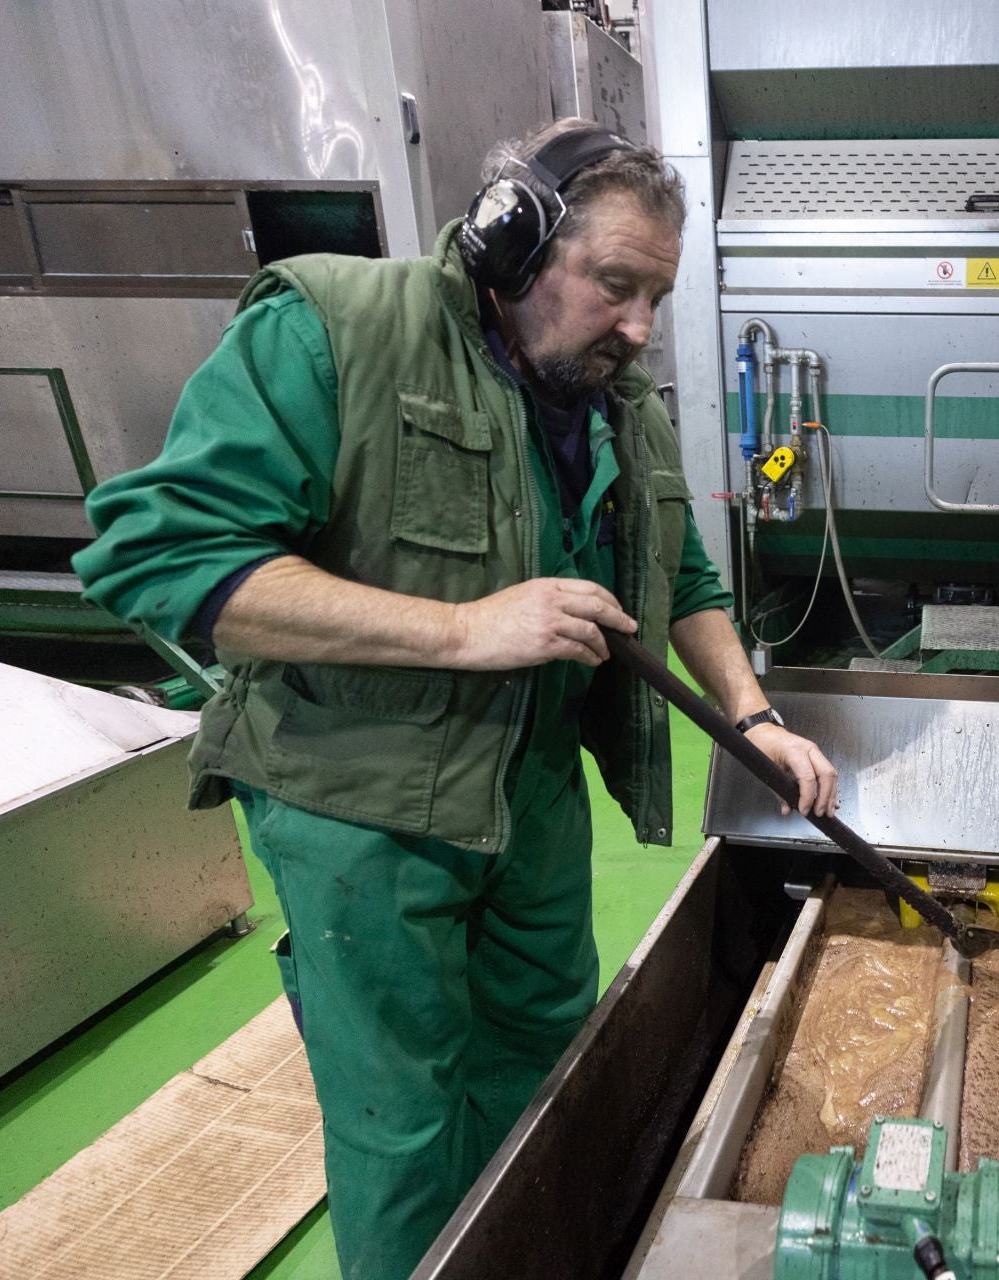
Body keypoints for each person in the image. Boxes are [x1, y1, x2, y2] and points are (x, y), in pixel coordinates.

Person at [73, 120, 837, 1278]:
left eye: (656, 298)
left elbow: (682, 575)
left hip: (533, 800)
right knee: (403, 1127)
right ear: (512, 243)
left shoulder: (615, 397)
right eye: (616, 285)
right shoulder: (336, 330)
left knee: (547, 1074)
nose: (639, 326)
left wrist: (754, 715)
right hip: (364, 808)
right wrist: (466, 628)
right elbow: (165, 556)